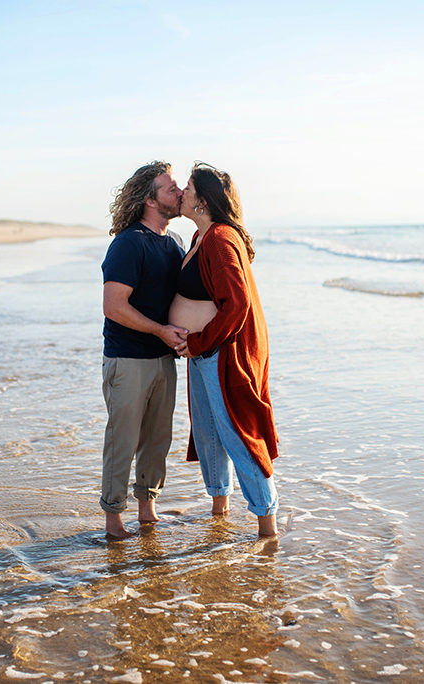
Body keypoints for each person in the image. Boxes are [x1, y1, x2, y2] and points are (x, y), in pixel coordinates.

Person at [169, 162, 280, 536]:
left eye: (187, 187)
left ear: (202, 200)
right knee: (208, 433)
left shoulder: (219, 238)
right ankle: (219, 510)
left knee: (236, 433)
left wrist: (198, 341)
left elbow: (237, 303)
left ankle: (268, 527)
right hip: (202, 355)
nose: (181, 192)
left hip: (220, 353)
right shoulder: (202, 237)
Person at [100, 161, 188, 539]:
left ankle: (147, 509)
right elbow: (114, 306)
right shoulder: (128, 242)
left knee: (157, 438)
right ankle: (113, 519)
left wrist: (183, 335)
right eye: (170, 188)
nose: (180, 192)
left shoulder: (176, 243)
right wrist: (161, 331)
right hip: (128, 358)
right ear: (150, 199)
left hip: (164, 357)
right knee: (124, 440)